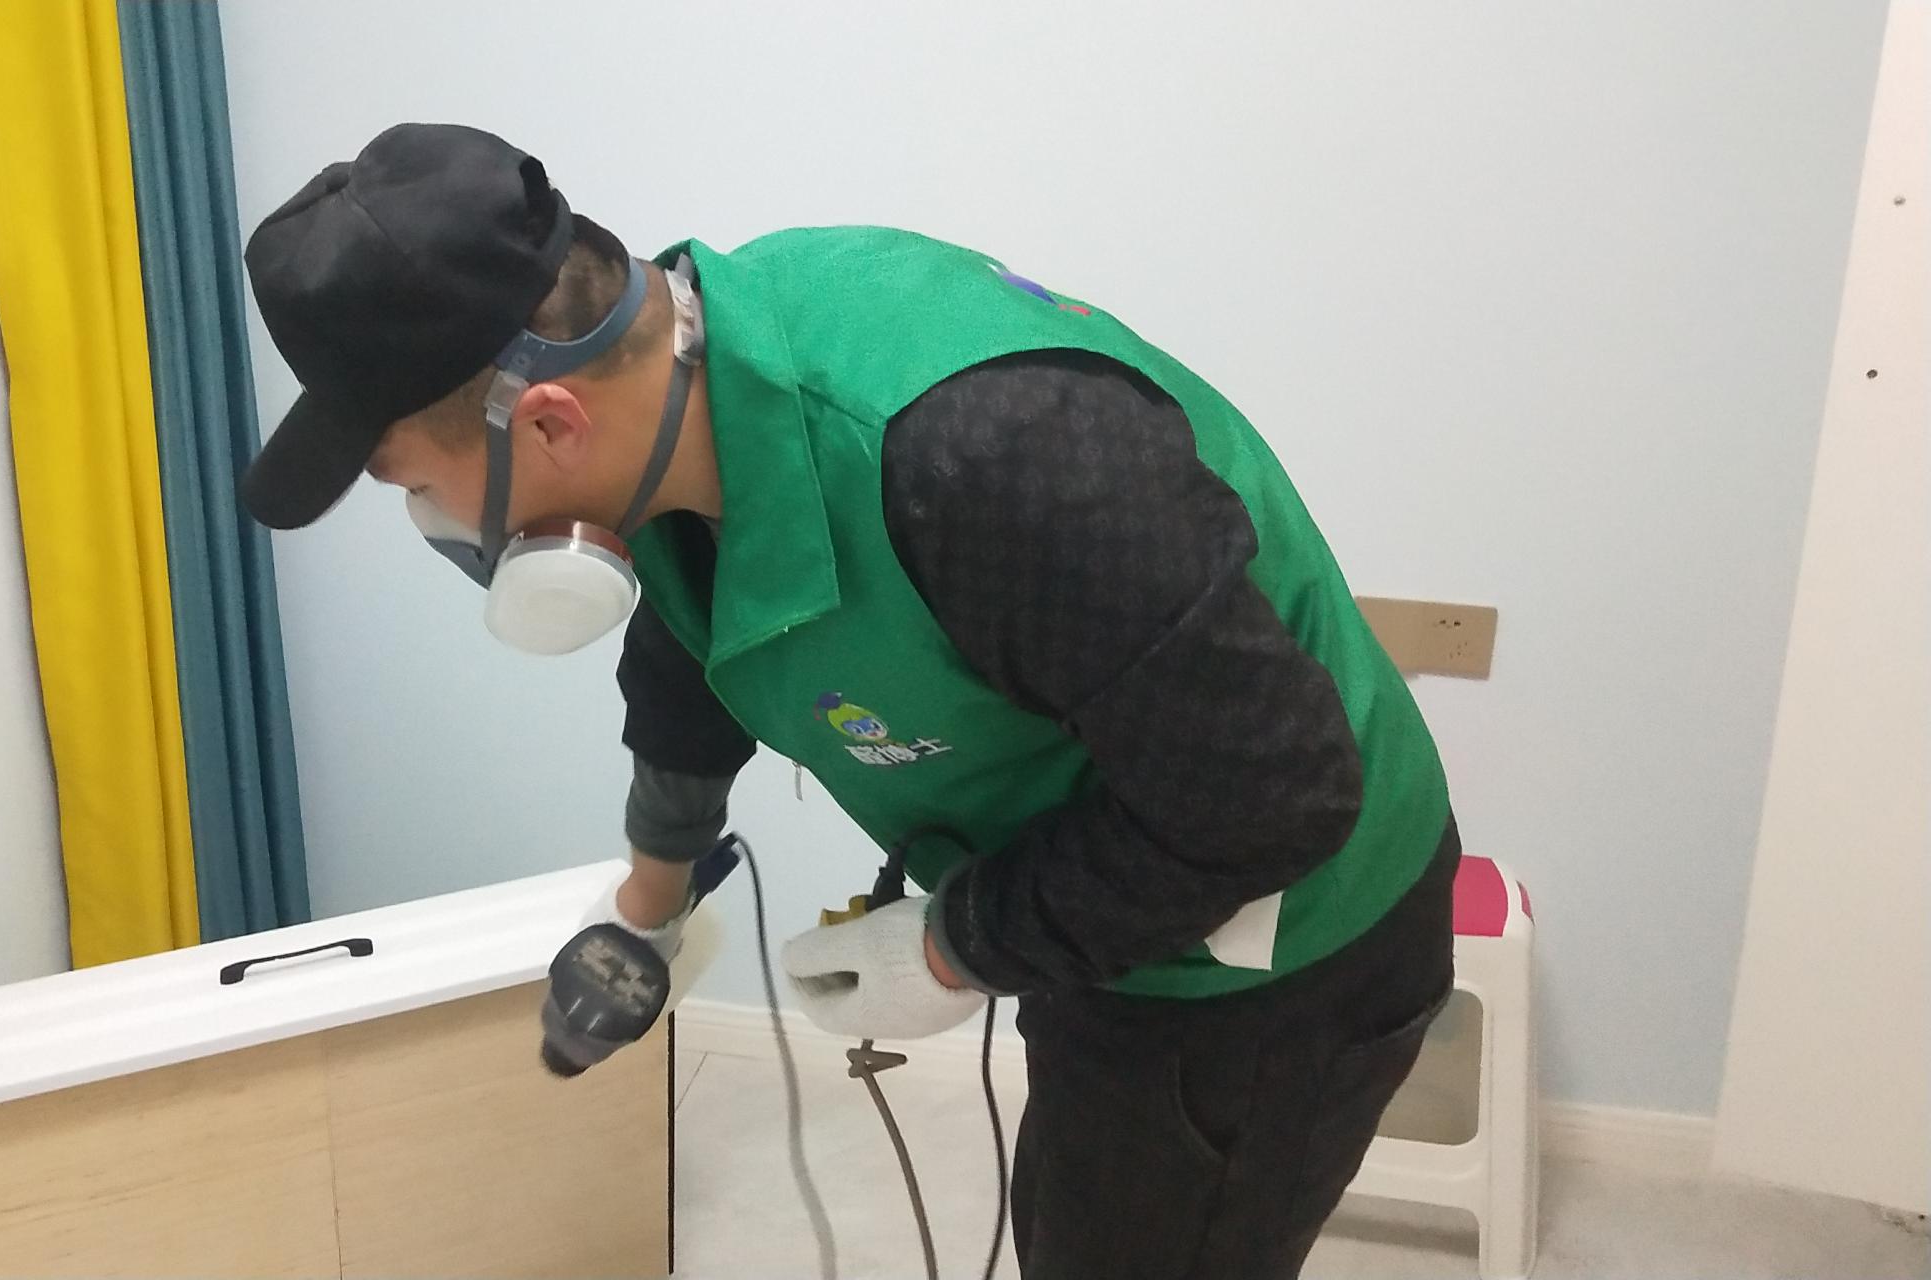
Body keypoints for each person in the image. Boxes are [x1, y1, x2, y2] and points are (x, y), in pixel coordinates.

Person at [237, 122, 1460, 1280]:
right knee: (1074, 1210)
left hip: (1283, 947)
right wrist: (648, 908)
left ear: (549, 422)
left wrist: (953, 943)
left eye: (412, 483)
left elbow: (1272, 798)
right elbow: (690, 650)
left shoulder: (991, 460)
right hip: (1115, 878)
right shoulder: (677, 392)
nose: (434, 522)